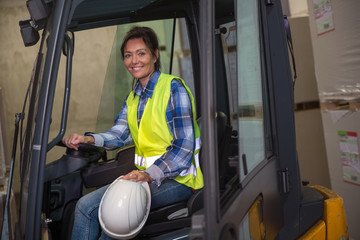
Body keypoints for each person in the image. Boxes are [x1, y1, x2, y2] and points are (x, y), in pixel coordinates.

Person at [62, 26, 203, 240]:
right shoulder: (134, 97)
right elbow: (119, 135)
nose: (134, 61)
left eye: (141, 53)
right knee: (85, 206)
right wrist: (88, 139)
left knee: (110, 213)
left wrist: (148, 174)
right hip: (148, 178)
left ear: (155, 55)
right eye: (128, 55)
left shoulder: (173, 89)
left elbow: (183, 148)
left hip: (179, 180)